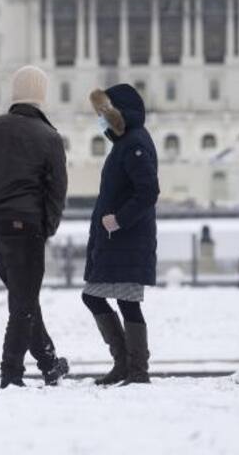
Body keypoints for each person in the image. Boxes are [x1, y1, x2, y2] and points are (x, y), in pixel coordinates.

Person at [0, 65, 70, 389]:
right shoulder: (49, 137)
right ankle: (11, 373)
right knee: (23, 305)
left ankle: (49, 363)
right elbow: (57, 192)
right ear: (41, 96)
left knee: (24, 299)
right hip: (27, 228)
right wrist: (48, 226)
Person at [81, 84, 159, 386]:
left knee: (120, 302)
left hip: (126, 239)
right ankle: (127, 365)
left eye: (105, 112)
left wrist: (119, 220)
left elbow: (148, 191)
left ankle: (135, 368)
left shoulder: (134, 142)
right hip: (117, 240)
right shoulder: (126, 142)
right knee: (97, 298)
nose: (101, 119)